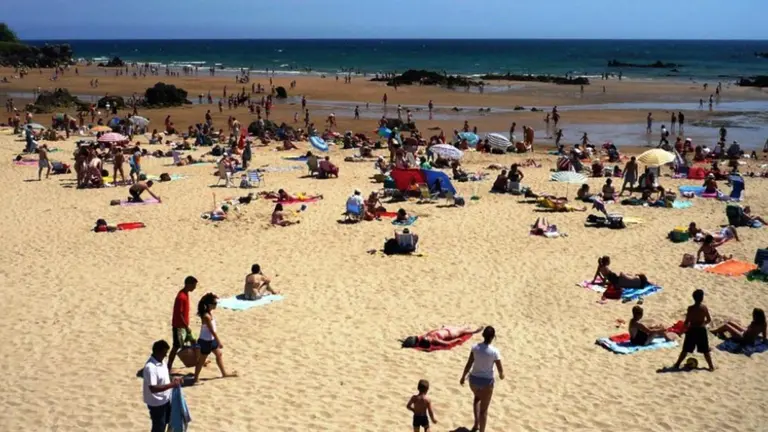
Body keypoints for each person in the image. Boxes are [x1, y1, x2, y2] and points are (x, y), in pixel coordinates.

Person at [460, 326, 504, 432]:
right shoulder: (494, 351)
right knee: (484, 411)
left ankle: (476, 424)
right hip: (486, 384)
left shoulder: (475, 347)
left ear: (483, 335)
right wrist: (502, 376)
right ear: (493, 337)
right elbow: (500, 370)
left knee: (477, 399)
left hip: (474, 381)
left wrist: (462, 377)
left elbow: (469, 364)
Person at [193, 293, 237, 383]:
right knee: (201, 360)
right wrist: (219, 341)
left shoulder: (208, 313)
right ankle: (195, 379)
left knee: (219, 354)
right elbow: (212, 330)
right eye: (215, 304)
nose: (216, 305)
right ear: (209, 305)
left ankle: (224, 373)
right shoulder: (206, 316)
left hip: (211, 340)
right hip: (205, 341)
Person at [143, 340, 183, 432]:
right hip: (156, 404)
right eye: (164, 353)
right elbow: (153, 388)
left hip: (166, 400)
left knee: (166, 423)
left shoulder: (162, 362)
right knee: (158, 427)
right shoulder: (150, 367)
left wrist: (174, 379)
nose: (166, 355)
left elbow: (165, 376)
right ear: (157, 351)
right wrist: (172, 385)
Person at [672, 289, 715, 371]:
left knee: (685, 349)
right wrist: (703, 324)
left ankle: (677, 364)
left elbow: (687, 321)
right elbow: (709, 319)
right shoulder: (704, 308)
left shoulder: (690, 308)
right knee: (705, 350)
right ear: (702, 298)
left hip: (692, 330)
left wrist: (682, 331)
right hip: (701, 330)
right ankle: (711, 366)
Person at [167, 276, 198, 371]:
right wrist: (186, 326)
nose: (194, 288)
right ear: (188, 284)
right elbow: (179, 314)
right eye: (194, 285)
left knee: (193, 341)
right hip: (179, 327)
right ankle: (168, 366)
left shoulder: (185, 294)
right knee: (176, 347)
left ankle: (198, 361)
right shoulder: (181, 297)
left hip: (184, 326)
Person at [400, 326, 483, 349]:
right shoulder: (435, 340)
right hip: (451, 333)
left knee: (462, 328)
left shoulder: (426, 336)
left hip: (445, 329)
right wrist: (456, 340)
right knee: (463, 330)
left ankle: (469, 328)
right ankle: (475, 331)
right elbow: (447, 343)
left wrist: (440, 328)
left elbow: (432, 331)